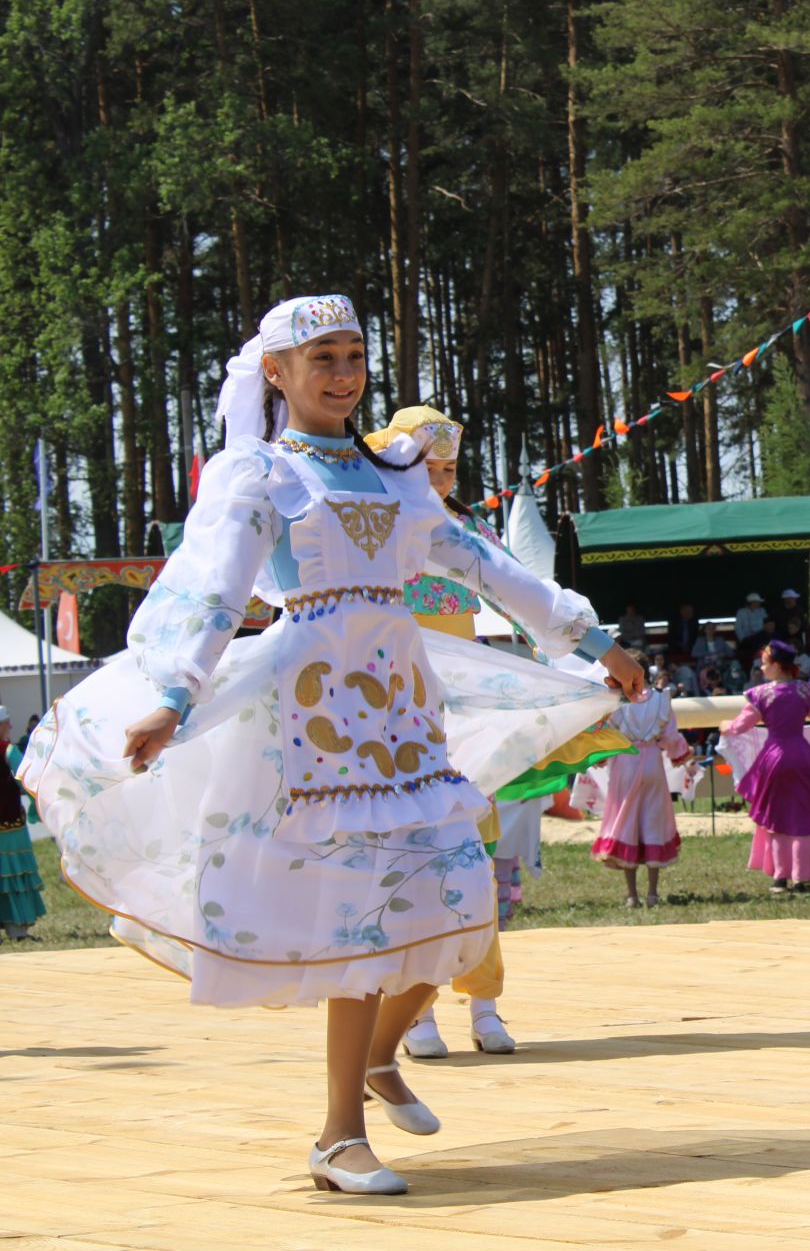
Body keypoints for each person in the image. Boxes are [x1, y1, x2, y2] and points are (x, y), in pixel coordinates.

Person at [16, 295, 646, 1196]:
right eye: (323, 358)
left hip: (398, 704)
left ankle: (383, 1060)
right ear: (276, 372)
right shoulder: (261, 476)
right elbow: (213, 591)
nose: (344, 374)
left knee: (461, 902)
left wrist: (593, 642)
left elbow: (483, 564)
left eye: (354, 355)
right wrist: (171, 694)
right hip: (310, 713)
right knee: (363, 922)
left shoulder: (398, 474)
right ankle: (340, 1135)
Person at [374, 405, 634, 1062]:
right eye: (422, 466)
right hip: (387, 719)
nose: (435, 479)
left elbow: (525, 597)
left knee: (472, 868)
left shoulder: (464, 532)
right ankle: (415, 1016)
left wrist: (588, 659)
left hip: (462, 724)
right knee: (407, 875)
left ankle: (484, 1004)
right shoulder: (369, 530)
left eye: (447, 468)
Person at [722, 641, 810, 894]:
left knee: (776, 821)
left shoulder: (760, 695)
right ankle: (801, 879)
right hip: (801, 757)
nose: (761, 666)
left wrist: (724, 726)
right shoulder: (805, 691)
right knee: (802, 820)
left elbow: (739, 727)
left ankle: (780, 878)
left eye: (765, 662)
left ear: (777, 665)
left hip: (773, 759)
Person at [592, 678, 695, 908]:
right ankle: (652, 894)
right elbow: (670, 736)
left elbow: (604, 733)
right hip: (652, 761)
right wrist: (683, 754)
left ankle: (632, 895)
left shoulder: (616, 701)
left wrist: (598, 756)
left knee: (626, 823)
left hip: (625, 762)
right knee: (653, 824)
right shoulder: (660, 699)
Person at [0, 707, 47, 941]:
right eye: (7, 723)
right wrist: (35, 804)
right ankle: (17, 929)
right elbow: (29, 778)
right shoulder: (7, 750)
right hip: (8, 826)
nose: (10, 727)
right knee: (13, 873)